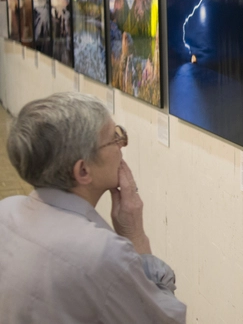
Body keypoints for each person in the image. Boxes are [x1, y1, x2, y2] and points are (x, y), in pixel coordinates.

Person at [0, 92, 187, 323]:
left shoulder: (6, 210)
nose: (122, 145)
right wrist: (135, 235)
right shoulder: (102, 253)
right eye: (114, 138)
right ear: (83, 171)